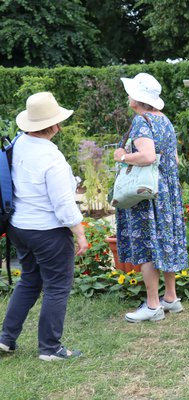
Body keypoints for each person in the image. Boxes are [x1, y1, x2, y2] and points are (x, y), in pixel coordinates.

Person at [0, 92, 88, 361]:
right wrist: (80, 232)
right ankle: (50, 349)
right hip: (47, 232)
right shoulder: (52, 158)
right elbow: (62, 205)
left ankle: (5, 339)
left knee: (29, 280)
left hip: (19, 226)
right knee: (57, 286)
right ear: (53, 125)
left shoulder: (16, 144)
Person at [113, 72, 188, 323]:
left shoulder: (141, 121)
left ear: (137, 98)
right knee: (164, 240)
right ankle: (171, 298)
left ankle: (153, 305)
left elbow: (147, 156)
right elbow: (173, 159)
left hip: (147, 194)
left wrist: (122, 156)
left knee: (147, 244)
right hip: (166, 191)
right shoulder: (164, 120)